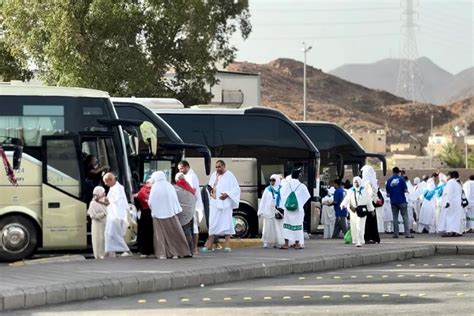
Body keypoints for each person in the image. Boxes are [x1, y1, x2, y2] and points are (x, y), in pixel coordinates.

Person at [148, 171, 191, 259]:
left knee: (160, 235)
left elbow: (151, 202)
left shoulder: (155, 187)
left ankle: (162, 254)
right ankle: (177, 253)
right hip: (171, 214)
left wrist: (154, 210)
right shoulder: (169, 186)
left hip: (158, 216)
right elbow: (174, 199)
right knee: (174, 234)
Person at [203, 160, 240, 253]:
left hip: (225, 205)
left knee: (226, 224)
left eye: (219, 167)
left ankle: (227, 246)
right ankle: (209, 246)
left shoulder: (229, 175)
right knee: (212, 224)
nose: (217, 169)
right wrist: (210, 190)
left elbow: (236, 189)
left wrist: (227, 195)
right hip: (214, 204)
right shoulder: (214, 175)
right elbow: (211, 186)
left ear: (224, 166)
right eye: (216, 167)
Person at [103, 172, 132, 257]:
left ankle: (126, 250)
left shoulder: (118, 188)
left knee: (115, 234)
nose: (105, 184)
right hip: (113, 215)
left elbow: (114, 200)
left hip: (117, 216)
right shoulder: (114, 187)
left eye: (106, 181)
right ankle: (108, 250)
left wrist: (105, 200)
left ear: (111, 180)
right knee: (109, 233)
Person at [280, 168, 310, 250]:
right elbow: (307, 196)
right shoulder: (302, 186)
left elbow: (281, 194)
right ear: (298, 176)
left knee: (287, 226)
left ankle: (286, 244)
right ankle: (297, 244)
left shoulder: (286, 185)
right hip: (298, 210)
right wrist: (300, 203)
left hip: (288, 209)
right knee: (298, 226)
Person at [178, 160, 204, 255]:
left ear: (186, 167)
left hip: (194, 205)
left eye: (181, 169)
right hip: (189, 205)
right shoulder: (186, 176)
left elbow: (192, 191)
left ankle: (195, 248)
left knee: (194, 227)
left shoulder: (192, 176)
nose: (180, 171)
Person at [341, 177, 374, 247]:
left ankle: (360, 241)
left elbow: (368, 201)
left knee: (360, 226)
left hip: (362, 211)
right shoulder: (351, 191)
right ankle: (355, 240)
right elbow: (347, 198)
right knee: (354, 226)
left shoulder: (364, 191)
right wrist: (343, 204)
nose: (356, 183)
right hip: (353, 211)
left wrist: (371, 209)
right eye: (355, 182)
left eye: (357, 182)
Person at [257, 174, 284, 248]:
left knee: (277, 227)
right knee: (267, 227)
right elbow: (263, 201)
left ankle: (278, 242)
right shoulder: (267, 189)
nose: (272, 182)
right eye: (270, 180)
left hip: (277, 211)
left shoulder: (281, 189)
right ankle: (266, 242)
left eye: (273, 180)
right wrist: (260, 211)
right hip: (268, 211)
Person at [386, 167, 413, 238]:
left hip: (393, 201)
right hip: (402, 201)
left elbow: (387, 194)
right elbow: (406, 190)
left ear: (393, 172)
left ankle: (395, 234)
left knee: (395, 218)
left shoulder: (389, 180)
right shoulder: (401, 179)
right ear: (398, 172)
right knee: (405, 217)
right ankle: (407, 234)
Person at [174, 172, 197, 253]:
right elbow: (194, 199)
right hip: (190, 214)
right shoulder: (189, 188)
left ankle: (182, 250)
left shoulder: (175, 188)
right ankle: (190, 250)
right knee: (188, 232)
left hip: (180, 215)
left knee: (181, 233)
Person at [438, 171, 464, 237]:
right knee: (455, 218)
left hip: (450, 203)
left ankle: (449, 232)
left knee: (448, 217)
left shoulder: (450, 182)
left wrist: (447, 202)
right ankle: (455, 231)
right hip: (457, 204)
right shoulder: (458, 183)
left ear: (449, 176)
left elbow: (449, 193)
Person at [87, 186, 108, 259]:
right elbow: (92, 215)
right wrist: (102, 215)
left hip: (105, 224)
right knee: (98, 240)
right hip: (97, 225)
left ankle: (106, 254)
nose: (104, 193)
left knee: (104, 239)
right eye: (103, 192)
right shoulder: (93, 203)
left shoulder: (104, 201)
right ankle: (99, 255)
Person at [361, 165, 381, 244]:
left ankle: (368, 238)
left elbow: (369, 195)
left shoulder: (366, 182)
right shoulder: (371, 182)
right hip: (371, 204)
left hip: (368, 204)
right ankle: (373, 237)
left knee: (368, 222)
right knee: (371, 221)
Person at [135, 179, 154, 257]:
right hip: (148, 212)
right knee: (149, 232)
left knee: (144, 232)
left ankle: (144, 250)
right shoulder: (146, 191)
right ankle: (148, 250)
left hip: (144, 213)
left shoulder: (141, 191)